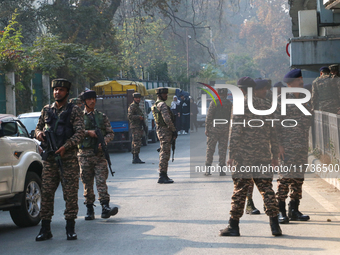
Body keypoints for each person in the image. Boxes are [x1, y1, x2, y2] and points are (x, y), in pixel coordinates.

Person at [220, 77, 282, 237]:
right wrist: (275, 155)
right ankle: (275, 225)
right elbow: (274, 133)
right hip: (263, 154)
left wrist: (231, 154)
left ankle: (233, 226)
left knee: (240, 190)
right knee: (267, 189)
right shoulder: (267, 105)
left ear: (241, 90)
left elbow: (236, 132)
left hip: (244, 155)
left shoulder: (241, 105)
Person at [35, 78, 85, 241]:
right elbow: (37, 127)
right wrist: (39, 134)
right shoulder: (46, 110)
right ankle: (45, 229)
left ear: (67, 92)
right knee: (47, 193)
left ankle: (70, 228)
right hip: (50, 159)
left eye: (61, 90)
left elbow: (79, 133)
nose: (57, 92)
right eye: (55, 89)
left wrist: (66, 146)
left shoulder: (74, 110)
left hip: (68, 159)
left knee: (70, 195)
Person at [276, 69, 312, 224]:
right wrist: (278, 146)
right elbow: (275, 125)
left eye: (302, 80)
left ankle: (294, 210)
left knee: (298, 179)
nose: (301, 82)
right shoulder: (281, 100)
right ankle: (280, 211)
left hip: (301, 146)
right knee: (284, 179)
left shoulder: (304, 99)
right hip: (287, 147)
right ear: (290, 83)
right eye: (299, 80)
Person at [78, 90, 118, 221]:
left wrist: (104, 141)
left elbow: (110, 133)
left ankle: (105, 207)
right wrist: (87, 132)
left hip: (99, 155)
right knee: (87, 183)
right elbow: (74, 133)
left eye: (94, 99)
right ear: (84, 101)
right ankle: (89, 208)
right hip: (84, 155)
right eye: (89, 99)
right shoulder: (78, 117)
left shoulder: (101, 116)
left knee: (101, 181)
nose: (92, 101)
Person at [243, 78, 270, 215]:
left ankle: (267, 204)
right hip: (250, 151)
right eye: (264, 89)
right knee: (250, 180)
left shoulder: (266, 105)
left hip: (258, 150)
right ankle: (250, 203)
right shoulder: (242, 104)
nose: (266, 91)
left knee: (262, 179)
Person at [152, 87, 177, 184]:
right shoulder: (162, 105)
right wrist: (173, 130)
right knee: (165, 153)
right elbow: (167, 119)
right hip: (165, 131)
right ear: (160, 95)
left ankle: (163, 174)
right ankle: (162, 175)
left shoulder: (156, 104)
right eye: (165, 94)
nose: (166, 95)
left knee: (164, 151)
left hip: (161, 130)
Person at [204, 88, 232, 176]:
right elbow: (231, 117)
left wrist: (207, 128)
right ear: (226, 94)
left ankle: (208, 169)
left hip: (213, 130)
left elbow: (209, 116)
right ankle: (221, 170)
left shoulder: (214, 102)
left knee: (210, 149)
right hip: (225, 129)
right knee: (223, 150)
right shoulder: (229, 104)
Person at [128, 92, 146, 164]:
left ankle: (136, 157)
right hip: (135, 127)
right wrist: (139, 117)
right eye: (136, 98)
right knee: (136, 142)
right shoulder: (132, 106)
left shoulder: (137, 106)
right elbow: (130, 116)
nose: (138, 99)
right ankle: (135, 157)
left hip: (138, 126)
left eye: (139, 98)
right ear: (134, 98)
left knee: (136, 142)